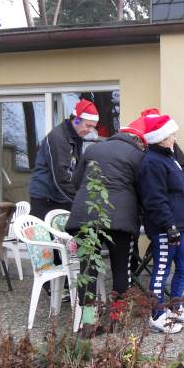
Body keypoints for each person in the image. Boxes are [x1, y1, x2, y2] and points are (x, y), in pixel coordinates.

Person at [66, 116, 147, 336]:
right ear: (138, 140)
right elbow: (144, 191)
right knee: (121, 269)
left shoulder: (93, 150)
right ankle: (116, 320)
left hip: (85, 217)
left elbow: (75, 182)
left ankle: (88, 323)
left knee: (87, 270)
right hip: (119, 223)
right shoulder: (138, 156)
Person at [29, 98, 99, 299]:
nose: (90, 131)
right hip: (44, 196)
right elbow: (60, 177)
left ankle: (67, 286)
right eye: (88, 126)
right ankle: (52, 289)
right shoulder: (58, 138)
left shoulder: (75, 136)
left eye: (93, 127)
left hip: (58, 195)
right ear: (76, 119)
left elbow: (74, 173)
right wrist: (78, 201)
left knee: (64, 240)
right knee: (48, 243)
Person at [137, 114, 184, 334]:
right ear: (160, 137)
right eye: (172, 134)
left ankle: (175, 307)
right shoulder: (151, 162)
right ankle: (156, 315)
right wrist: (169, 225)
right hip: (164, 228)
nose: (174, 137)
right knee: (161, 271)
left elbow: (179, 192)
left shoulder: (169, 158)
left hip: (179, 225)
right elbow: (155, 198)